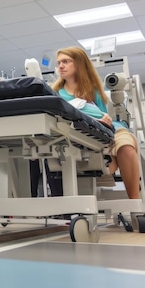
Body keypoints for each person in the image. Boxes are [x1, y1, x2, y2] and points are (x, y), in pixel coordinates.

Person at [52, 46, 141, 199]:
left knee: (126, 147)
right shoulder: (56, 93)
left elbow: (103, 114)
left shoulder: (93, 90)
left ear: (79, 64)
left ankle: (135, 205)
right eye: (59, 62)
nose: (60, 66)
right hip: (77, 132)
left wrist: (103, 119)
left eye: (66, 61)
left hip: (109, 129)